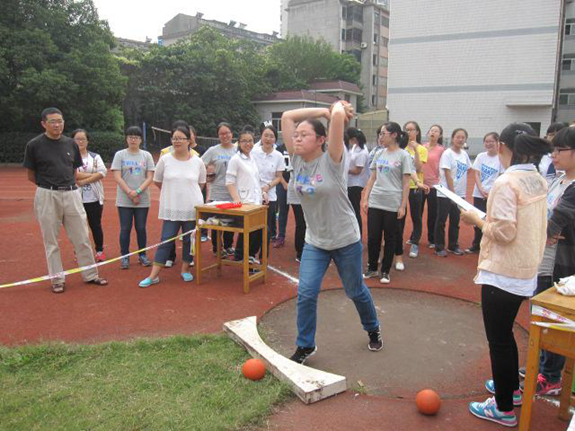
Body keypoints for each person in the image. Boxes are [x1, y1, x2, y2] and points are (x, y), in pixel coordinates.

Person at [462, 123, 549, 427]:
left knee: (498, 340)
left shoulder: (506, 182)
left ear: (501, 146)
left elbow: (503, 231)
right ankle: (510, 391)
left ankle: (503, 409)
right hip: (525, 272)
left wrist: (475, 218)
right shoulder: (536, 178)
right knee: (505, 335)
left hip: (502, 273)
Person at [281, 102, 382, 365]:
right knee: (306, 292)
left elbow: (338, 115)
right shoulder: (296, 160)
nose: (298, 138)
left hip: (345, 239)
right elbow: (287, 115)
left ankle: (372, 327)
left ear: (322, 139)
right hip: (315, 241)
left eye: (305, 135)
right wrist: (320, 112)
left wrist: (335, 109)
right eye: (296, 135)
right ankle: (305, 345)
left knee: (355, 290)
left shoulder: (333, 160)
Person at [23, 107, 108, 293]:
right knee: (51, 241)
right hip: (47, 194)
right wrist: (48, 186)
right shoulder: (34, 145)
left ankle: (90, 274)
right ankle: (57, 279)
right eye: (53, 121)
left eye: (60, 121)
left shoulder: (71, 144)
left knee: (82, 237)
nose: (57, 125)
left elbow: (74, 172)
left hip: (71, 193)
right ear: (44, 123)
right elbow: (31, 175)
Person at [517, 126, 575, 396]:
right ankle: (540, 367)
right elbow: (544, 215)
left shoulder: (573, 188)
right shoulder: (558, 180)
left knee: (551, 321)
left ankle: (550, 376)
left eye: (559, 150)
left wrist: (544, 231)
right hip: (544, 258)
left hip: (560, 265)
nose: (553, 155)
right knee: (539, 317)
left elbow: (556, 221)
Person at [138, 126, 206, 287]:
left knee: (190, 241)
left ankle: (185, 270)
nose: (177, 141)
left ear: (189, 140)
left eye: (180, 138)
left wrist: (187, 194)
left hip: (192, 208)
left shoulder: (197, 161)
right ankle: (153, 275)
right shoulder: (165, 159)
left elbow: (201, 183)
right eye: (174, 138)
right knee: (166, 240)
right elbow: (157, 180)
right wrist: (172, 193)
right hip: (171, 208)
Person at [361, 122, 412, 284]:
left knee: (390, 237)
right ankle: (372, 267)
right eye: (380, 134)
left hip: (393, 202)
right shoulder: (379, 153)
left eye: (383, 134)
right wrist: (365, 198)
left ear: (394, 135)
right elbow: (372, 178)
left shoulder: (404, 156)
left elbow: (406, 183)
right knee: (373, 237)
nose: (380, 137)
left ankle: (385, 270)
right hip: (376, 200)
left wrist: (403, 205)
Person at [111, 126, 155, 269]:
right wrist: (130, 193)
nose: (133, 140)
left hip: (142, 198)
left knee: (141, 228)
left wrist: (137, 192)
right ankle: (125, 257)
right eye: (130, 137)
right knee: (125, 228)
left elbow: (150, 177)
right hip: (124, 199)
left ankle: (142, 255)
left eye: (136, 137)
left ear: (141, 139)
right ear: (126, 139)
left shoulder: (146, 155)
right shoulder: (120, 155)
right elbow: (117, 176)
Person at [227, 127, 266, 263]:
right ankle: (241, 256)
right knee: (248, 231)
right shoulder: (235, 159)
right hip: (245, 201)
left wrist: (263, 193)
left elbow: (255, 179)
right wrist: (236, 199)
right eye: (244, 141)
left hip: (256, 200)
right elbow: (229, 182)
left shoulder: (252, 158)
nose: (247, 144)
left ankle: (247, 256)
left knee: (256, 231)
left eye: (250, 141)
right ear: (238, 142)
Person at [434, 128, 472, 257]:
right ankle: (439, 247)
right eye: (458, 137)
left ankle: (453, 245)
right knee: (441, 220)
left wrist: (460, 189)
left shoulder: (464, 154)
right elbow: (447, 173)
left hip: (459, 194)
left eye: (463, 137)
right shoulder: (447, 154)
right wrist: (452, 192)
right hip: (446, 192)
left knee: (455, 220)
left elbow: (468, 169)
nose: (460, 139)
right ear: (452, 138)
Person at [201, 122, 237, 257]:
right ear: (218, 136)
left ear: (232, 134)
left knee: (230, 221)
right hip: (217, 191)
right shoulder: (213, 150)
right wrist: (207, 175)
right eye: (222, 134)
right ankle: (217, 248)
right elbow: (200, 164)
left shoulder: (237, 150)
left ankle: (228, 246)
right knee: (217, 222)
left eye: (227, 133)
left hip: (233, 192)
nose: (225, 136)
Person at [72, 129, 107, 262]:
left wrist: (84, 180)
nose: (80, 142)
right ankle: (79, 252)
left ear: (87, 141)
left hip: (94, 198)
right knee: (78, 227)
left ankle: (99, 251)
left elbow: (103, 172)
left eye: (83, 139)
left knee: (95, 225)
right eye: (77, 139)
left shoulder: (95, 157)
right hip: (75, 197)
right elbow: (71, 173)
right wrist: (93, 175)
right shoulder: (70, 156)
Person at [466, 132, 503, 254]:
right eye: (486, 141)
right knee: (478, 220)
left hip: (493, 195)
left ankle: (489, 246)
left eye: (491, 141)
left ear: (498, 143)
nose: (489, 144)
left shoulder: (501, 157)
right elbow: (476, 173)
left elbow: (501, 176)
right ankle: (476, 244)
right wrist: (481, 188)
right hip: (479, 193)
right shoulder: (481, 156)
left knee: (491, 220)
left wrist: (491, 191)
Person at [252, 124, 285, 254]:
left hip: (270, 196)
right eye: (266, 135)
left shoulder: (278, 156)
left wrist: (268, 187)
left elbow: (279, 177)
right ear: (261, 136)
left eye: (271, 136)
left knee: (266, 227)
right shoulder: (253, 152)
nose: (268, 138)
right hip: (253, 195)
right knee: (253, 226)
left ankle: (263, 256)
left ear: (275, 139)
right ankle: (250, 254)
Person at [403, 121, 428, 259]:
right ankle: (397, 241)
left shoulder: (422, 149)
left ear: (417, 132)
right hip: (402, 186)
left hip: (416, 186)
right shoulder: (401, 147)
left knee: (416, 215)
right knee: (400, 214)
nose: (409, 132)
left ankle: (415, 242)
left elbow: (418, 168)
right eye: (407, 130)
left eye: (411, 130)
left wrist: (416, 150)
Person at [421, 125, 445, 249]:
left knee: (432, 213)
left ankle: (432, 239)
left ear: (440, 135)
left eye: (436, 131)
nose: (433, 133)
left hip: (434, 185)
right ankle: (415, 237)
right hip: (420, 184)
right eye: (431, 130)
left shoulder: (441, 150)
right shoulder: (421, 148)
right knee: (417, 213)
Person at [346, 128, 370, 238]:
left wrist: (344, 169)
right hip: (351, 183)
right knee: (351, 209)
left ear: (354, 139)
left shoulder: (362, 152)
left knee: (355, 209)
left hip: (356, 184)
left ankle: (358, 234)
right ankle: (353, 233)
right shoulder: (356, 147)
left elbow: (357, 171)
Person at [273, 141, 291, 249]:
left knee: (301, 213)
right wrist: (284, 183)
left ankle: (304, 238)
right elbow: (277, 170)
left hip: (296, 184)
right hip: (282, 184)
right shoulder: (279, 149)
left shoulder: (299, 147)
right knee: (283, 211)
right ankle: (281, 236)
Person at [539, 122, 568, 186]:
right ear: (546, 136)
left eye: (559, 134)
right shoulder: (539, 155)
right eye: (552, 134)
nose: (555, 138)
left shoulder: (568, 157)